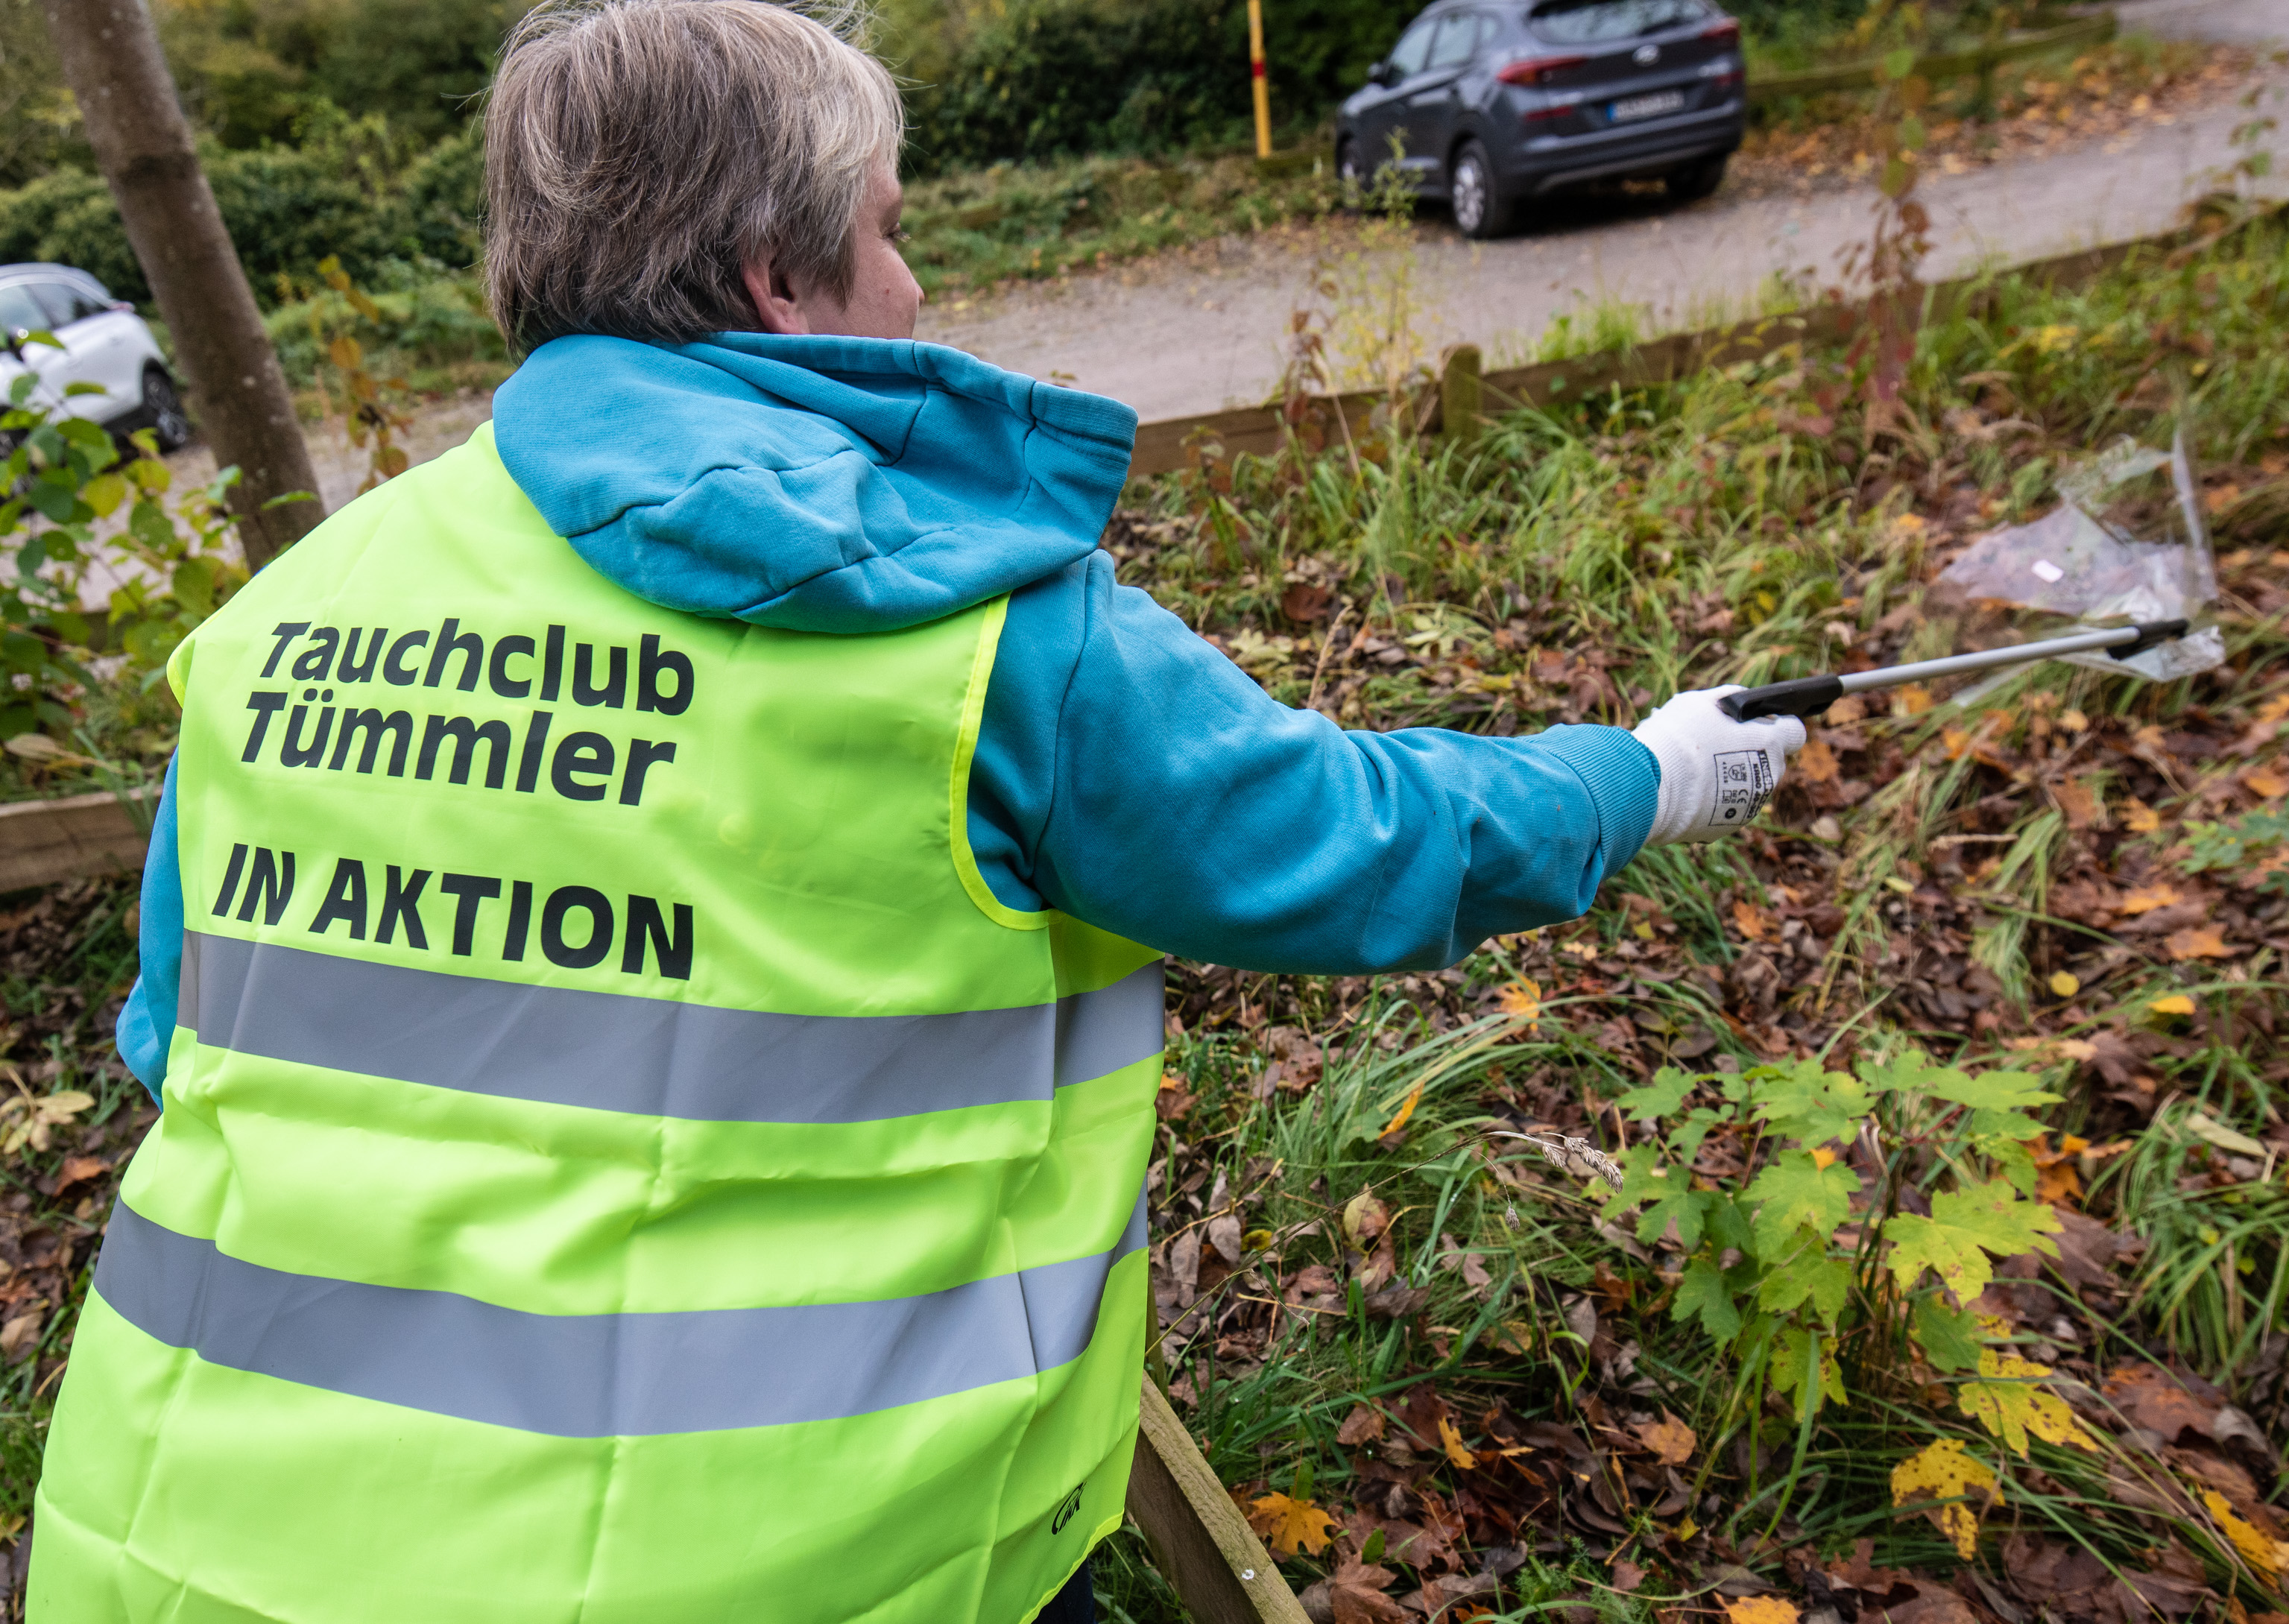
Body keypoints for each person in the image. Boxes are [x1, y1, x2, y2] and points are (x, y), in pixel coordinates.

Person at [28, 3, 1802, 1620]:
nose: (921, 283)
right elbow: (1356, 843)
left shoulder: (287, 621)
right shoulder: (971, 632)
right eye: (888, 225)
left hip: (169, 1545)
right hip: (773, 1573)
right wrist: (1644, 771)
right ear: (772, 274)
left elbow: (188, 1057)